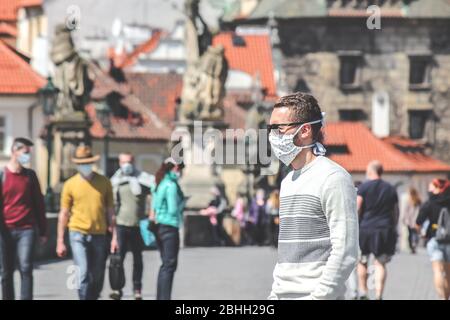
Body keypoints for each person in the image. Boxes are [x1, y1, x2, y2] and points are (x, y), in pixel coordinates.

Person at [267, 92, 358, 300]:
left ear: (305, 130)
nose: (272, 136)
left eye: (278, 129)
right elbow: (288, 254)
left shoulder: (333, 178)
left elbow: (346, 250)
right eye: (270, 129)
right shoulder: (288, 182)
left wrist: (320, 297)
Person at [56, 145, 118, 300]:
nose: (85, 166)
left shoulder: (104, 182)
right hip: (77, 233)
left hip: (99, 233)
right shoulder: (70, 184)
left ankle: (94, 296)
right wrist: (60, 241)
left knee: (97, 274)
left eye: (88, 162)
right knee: (82, 272)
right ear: (77, 164)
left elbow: (110, 211)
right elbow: (64, 213)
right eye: (82, 163)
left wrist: (115, 237)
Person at [0, 137, 47, 300]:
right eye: (25, 152)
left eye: (29, 153)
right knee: (5, 272)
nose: (27, 156)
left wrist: (43, 231)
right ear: (14, 151)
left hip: (26, 229)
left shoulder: (30, 176)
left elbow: (39, 204)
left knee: (26, 267)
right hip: (5, 230)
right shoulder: (2, 175)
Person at [109, 153, 154, 300]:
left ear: (133, 162)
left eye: (128, 162)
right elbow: (110, 204)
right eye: (123, 162)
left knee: (138, 259)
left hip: (137, 225)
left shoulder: (142, 179)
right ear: (119, 163)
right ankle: (117, 288)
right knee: (118, 260)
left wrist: (150, 213)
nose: (126, 165)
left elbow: (154, 191)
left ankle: (137, 289)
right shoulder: (115, 181)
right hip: (121, 225)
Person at [357, 160, 399, 300]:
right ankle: (379, 294)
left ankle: (363, 292)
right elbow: (395, 212)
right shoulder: (390, 188)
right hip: (384, 229)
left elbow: (357, 208)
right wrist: (393, 226)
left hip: (365, 228)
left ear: (370, 171)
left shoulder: (363, 187)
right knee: (380, 263)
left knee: (362, 261)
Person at [151, 157, 185, 300]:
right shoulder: (171, 185)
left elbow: (154, 205)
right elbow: (172, 209)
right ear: (175, 168)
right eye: (179, 169)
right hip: (170, 226)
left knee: (165, 264)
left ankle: (161, 296)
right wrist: (182, 205)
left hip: (159, 226)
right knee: (170, 265)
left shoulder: (159, 183)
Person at [416, 179, 450, 300]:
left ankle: (442, 298)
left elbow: (418, 222)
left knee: (437, 271)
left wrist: (421, 233)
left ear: (437, 188)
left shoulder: (430, 203)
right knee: (448, 274)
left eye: (431, 187)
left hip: (435, 239)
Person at [400, 187, 421, 254]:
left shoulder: (408, 200)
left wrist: (402, 218)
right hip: (416, 219)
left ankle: (412, 246)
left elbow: (405, 210)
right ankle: (414, 244)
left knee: (410, 234)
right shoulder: (418, 200)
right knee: (415, 233)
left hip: (409, 220)